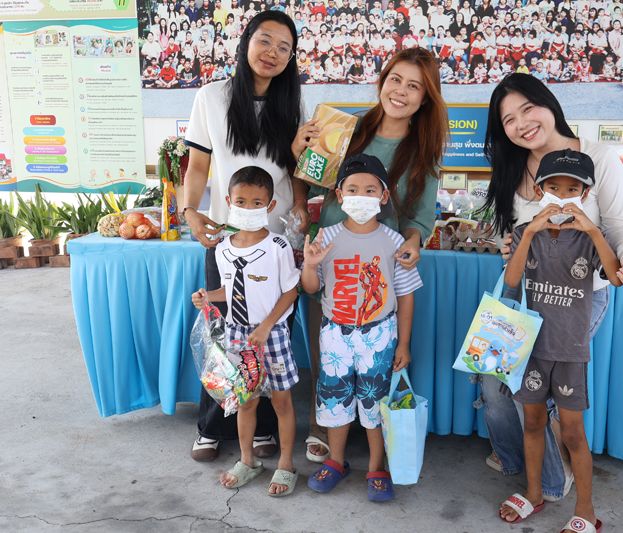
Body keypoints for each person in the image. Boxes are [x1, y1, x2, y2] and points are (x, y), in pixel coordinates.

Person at [479, 73, 623, 505]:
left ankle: (553, 481)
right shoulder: (512, 167)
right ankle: (515, 456)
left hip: (579, 295)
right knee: (494, 377)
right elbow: (512, 234)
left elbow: (618, 223)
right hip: (524, 292)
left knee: (539, 388)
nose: (521, 124)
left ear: (549, 104)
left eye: (527, 109)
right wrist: (510, 246)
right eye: (508, 119)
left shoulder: (597, 156)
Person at [294, 47, 447, 463]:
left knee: (375, 357)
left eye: (414, 86)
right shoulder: (347, 128)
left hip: (379, 267)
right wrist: (298, 155)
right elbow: (310, 181)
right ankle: (324, 426)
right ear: (382, 82)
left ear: (425, 98)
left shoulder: (423, 149)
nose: (401, 91)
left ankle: (373, 432)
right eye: (395, 79)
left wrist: (412, 241)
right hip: (332, 258)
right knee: (327, 348)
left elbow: (419, 217)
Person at [183, 10, 311, 462]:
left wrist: (300, 205)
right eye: (265, 40)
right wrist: (190, 211)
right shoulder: (211, 97)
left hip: (276, 242)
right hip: (226, 240)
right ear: (246, 42)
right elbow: (198, 165)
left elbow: (298, 170)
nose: (273, 52)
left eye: (284, 47)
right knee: (222, 339)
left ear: (291, 58)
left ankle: (263, 430)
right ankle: (211, 426)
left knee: (270, 339)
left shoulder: (293, 104)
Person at [499, 149, 623, 532]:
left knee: (572, 432)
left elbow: (615, 277)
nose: (563, 195)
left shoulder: (589, 237)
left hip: (570, 351)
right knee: (533, 422)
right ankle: (534, 493)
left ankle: (586, 510)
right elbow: (512, 280)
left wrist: (593, 230)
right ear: (540, 191)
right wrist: (529, 231)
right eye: (554, 187)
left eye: (573, 189)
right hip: (532, 348)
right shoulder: (526, 231)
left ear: (585, 194)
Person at [300, 154, 422, 502]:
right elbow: (311, 288)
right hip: (334, 334)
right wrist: (310, 265)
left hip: (379, 335)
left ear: (384, 197)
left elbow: (406, 296)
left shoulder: (394, 241)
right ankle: (336, 461)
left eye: (370, 190)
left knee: (375, 402)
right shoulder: (325, 237)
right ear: (339, 195)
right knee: (334, 400)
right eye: (352, 189)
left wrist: (403, 344)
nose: (361, 196)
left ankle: (376, 466)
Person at [191, 166, 301, 496]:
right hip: (238, 336)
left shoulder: (278, 246)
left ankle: (286, 464)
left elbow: (291, 291)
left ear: (270, 206)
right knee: (246, 401)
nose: (248, 208)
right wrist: (208, 296)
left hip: (273, 334)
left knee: (281, 402)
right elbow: (229, 290)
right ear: (228, 202)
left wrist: (267, 326)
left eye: (257, 202)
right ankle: (247, 459)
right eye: (241, 201)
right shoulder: (223, 248)